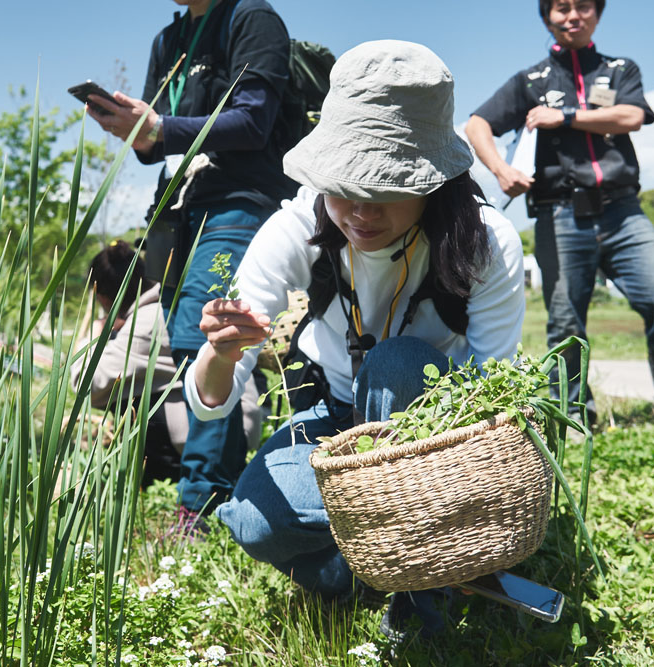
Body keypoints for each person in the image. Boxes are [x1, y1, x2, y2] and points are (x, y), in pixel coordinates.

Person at [186, 41, 525, 640]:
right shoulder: (296, 228)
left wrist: (451, 490)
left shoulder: (486, 243)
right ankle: (374, 569)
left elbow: (489, 391)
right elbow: (211, 401)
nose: (362, 212)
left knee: (398, 364)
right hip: (333, 413)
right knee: (255, 523)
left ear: (433, 181)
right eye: (346, 185)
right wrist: (221, 351)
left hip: (435, 432)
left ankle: (422, 594)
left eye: (387, 187)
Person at [86, 0, 297, 522]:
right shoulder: (168, 39)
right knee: (185, 342)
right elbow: (155, 143)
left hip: (238, 199)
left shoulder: (252, 18)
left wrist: (161, 128)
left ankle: (201, 504)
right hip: (179, 207)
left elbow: (253, 121)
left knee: (208, 339)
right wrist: (137, 131)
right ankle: (222, 492)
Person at [465, 0, 654, 423]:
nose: (573, 16)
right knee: (565, 322)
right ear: (547, 18)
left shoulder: (619, 69)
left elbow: (632, 115)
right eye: (561, 8)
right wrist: (501, 170)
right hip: (559, 213)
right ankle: (574, 414)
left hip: (624, 212)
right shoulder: (530, 81)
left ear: (598, 14)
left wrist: (564, 117)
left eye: (583, 6)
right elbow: (477, 124)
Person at [70, 241, 262, 486]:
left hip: (219, 440)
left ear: (104, 299)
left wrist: (97, 333)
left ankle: (162, 479)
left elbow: (84, 383)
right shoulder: (174, 303)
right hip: (239, 425)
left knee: (125, 395)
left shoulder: (146, 322)